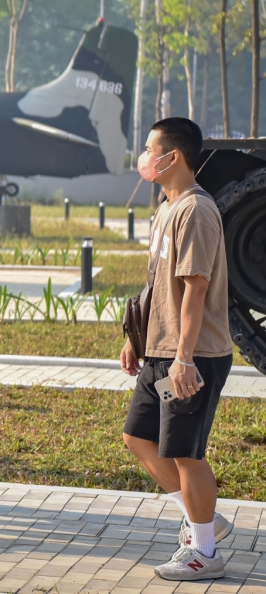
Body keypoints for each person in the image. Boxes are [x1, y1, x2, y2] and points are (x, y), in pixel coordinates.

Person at [121, 117, 234, 581]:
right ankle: (201, 517)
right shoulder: (166, 209)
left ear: (174, 156)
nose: (144, 157)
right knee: (139, 436)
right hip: (160, 353)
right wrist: (136, 341)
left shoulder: (196, 211)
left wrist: (185, 358)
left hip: (193, 356)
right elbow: (156, 288)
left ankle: (204, 552)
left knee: (186, 452)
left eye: (151, 149)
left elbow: (195, 290)